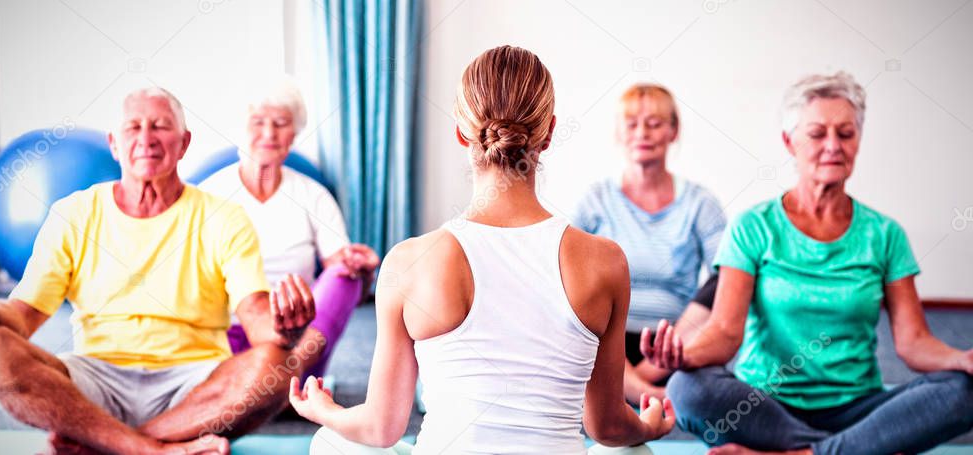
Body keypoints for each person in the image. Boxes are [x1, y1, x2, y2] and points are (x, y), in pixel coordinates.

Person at [288, 45, 674, 454]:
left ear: (460, 131)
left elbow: (381, 427)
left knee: (331, 440)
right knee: (631, 449)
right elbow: (608, 426)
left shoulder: (408, 262)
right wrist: (648, 426)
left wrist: (323, 409)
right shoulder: (606, 260)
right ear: (548, 133)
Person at [0, 87, 317, 454]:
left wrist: (288, 331)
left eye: (159, 126)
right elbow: (21, 320)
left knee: (279, 363)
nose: (146, 139)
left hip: (194, 388)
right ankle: (152, 449)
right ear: (113, 143)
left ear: (184, 143)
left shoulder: (224, 217)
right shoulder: (74, 214)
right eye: (133, 127)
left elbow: (257, 322)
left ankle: (102, 443)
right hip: (94, 381)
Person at [641, 72, 973, 455]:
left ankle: (799, 454)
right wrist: (684, 356)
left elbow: (914, 343)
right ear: (789, 142)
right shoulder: (753, 226)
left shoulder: (884, 235)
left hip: (858, 410)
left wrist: (961, 358)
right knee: (686, 388)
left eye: (845, 134)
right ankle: (856, 451)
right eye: (817, 134)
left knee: (964, 390)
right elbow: (725, 331)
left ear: (858, 142)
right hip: (763, 407)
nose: (833, 146)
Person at [197, 78, 379, 378]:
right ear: (241, 127)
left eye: (281, 124)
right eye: (258, 122)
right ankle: (280, 388)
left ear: (294, 134)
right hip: (227, 338)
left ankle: (279, 381)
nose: (269, 134)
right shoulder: (210, 194)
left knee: (344, 276)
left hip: (299, 344)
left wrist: (363, 270)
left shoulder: (314, 195)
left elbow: (346, 285)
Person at [573, 83, 725, 401]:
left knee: (725, 279)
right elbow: (571, 281)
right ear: (619, 133)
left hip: (676, 344)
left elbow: (724, 280)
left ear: (673, 131)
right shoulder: (596, 200)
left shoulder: (700, 203)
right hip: (607, 342)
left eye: (654, 123)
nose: (643, 132)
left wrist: (649, 369)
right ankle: (645, 394)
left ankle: (634, 389)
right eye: (632, 124)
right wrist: (620, 368)